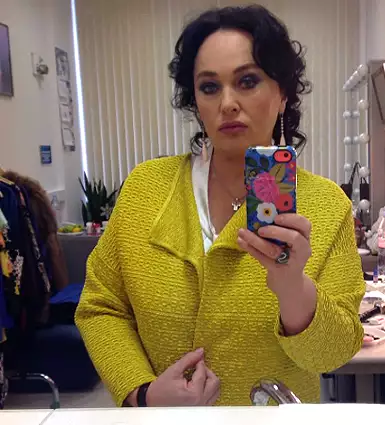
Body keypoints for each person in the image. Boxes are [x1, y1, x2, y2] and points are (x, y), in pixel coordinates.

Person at [75, 5, 364, 407]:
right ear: (195, 102)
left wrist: (293, 289)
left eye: (247, 81)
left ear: (283, 94)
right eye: (209, 87)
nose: (227, 102)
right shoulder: (146, 189)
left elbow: (335, 353)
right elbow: (101, 307)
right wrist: (142, 395)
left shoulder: (326, 205)